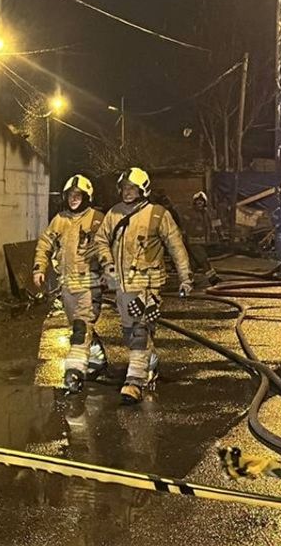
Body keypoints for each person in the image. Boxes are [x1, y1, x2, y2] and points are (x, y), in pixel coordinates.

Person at [95, 167, 193, 406]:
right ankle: (149, 362)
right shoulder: (113, 214)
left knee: (140, 330)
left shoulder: (158, 215)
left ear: (143, 189)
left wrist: (185, 277)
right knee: (130, 332)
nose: (128, 192)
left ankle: (134, 382)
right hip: (122, 285)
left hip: (149, 285)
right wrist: (107, 264)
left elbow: (176, 246)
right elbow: (100, 240)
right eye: (125, 188)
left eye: (132, 188)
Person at [32, 174, 107, 394]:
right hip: (68, 287)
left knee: (80, 328)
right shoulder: (60, 219)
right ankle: (97, 361)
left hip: (89, 284)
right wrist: (39, 267)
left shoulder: (97, 219)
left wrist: (110, 273)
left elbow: (108, 248)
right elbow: (45, 244)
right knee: (79, 327)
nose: (74, 199)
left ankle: (74, 373)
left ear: (87, 196)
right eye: (70, 195)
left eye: (78, 195)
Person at [183, 191, 220, 286]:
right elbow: (185, 227)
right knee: (203, 260)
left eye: (201, 202)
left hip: (202, 241)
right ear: (194, 203)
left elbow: (209, 225)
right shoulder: (189, 213)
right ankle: (213, 279)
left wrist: (214, 235)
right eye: (198, 202)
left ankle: (187, 280)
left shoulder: (206, 213)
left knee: (193, 265)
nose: (200, 204)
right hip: (192, 241)